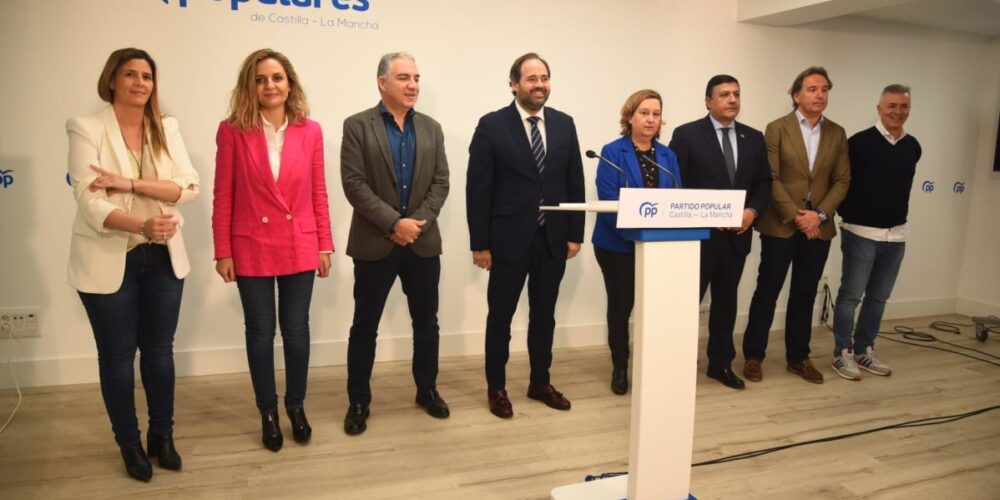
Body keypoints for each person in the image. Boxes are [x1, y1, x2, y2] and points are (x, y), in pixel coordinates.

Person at [66, 47, 199, 481]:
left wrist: (129, 183)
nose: (141, 82)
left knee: (160, 352)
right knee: (118, 357)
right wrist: (143, 224)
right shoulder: (85, 127)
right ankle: (129, 442)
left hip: (163, 256)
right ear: (112, 80)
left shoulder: (167, 127)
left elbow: (189, 187)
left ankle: (163, 436)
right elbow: (90, 201)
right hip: (109, 256)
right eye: (130, 74)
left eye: (147, 75)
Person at [212, 49, 333, 452]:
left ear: (290, 83)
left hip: (300, 240)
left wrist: (325, 243)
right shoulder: (232, 130)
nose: (269, 86)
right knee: (261, 334)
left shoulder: (310, 130)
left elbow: (318, 191)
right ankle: (267, 411)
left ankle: (295, 405)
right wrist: (222, 250)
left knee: (296, 334)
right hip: (251, 245)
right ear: (251, 86)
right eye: (261, 79)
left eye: (277, 78)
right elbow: (223, 196)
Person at [467, 52, 586, 418]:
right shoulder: (492, 125)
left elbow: (574, 180)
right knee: (499, 317)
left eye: (544, 77)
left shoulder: (565, 124)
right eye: (531, 78)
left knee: (544, 315)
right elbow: (478, 189)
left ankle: (540, 382)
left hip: (552, 238)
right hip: (506, 240)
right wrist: (480, 244)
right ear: (514, 84)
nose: (539, 85)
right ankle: (497, 388)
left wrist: (575, 233)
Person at [339, 52, 450, 435]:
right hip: (376, 241)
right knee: (364, 325)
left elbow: (441, 183)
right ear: (382, 82)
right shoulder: (357, 126)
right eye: (403, 77)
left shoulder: (432, 128)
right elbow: (354, 184)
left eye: (417, 77)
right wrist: (393, 223)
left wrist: (415, 224)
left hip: (421, 241)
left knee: (427, 323)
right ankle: (358, 402)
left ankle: (427, 390)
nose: (413, 85)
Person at [742, 66, 850, 384]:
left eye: (824, 89)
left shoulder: (837, 133)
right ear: (796, 95)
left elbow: (842, 180)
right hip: (782, 225)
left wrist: (818, 216)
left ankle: (798, 357)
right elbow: (770, 178)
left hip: (819, 228)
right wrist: (798, 215)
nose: (820, 95)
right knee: (768, 290)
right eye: (813, 89)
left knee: (804, 293)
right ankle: (753, 356)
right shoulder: (777, 128)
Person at [669, 75, 772, 390]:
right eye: (725, 94)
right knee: (687, 303)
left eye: (736, 94)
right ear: (708, 101)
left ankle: (720, 364)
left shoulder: (753, 138)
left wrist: (752, 212)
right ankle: (678, 363)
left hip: (738, 236)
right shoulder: (687, 135)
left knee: (726, 303)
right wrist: (703, 214)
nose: (732, 100)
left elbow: (764, 183)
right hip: (698, 237)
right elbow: (676, 184)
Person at [592, 89, 681, 395]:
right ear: (630, 116)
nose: (650, 119)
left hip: (659, 248)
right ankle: (620, 366)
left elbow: (676, 201)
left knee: (654, 307)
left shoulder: (668, 156)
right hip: (617, 245)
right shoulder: (612, 152)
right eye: (644, 113)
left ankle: (652, 364)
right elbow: (608, 201)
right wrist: (638, 235)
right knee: (621, 306)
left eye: (656, 114)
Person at [830, 84, 920, 380]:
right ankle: (842, 353)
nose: (897, 112)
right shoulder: (859, 143)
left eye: (903, 107)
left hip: (896, 236)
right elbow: (841, 182)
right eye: (891, 106)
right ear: (879, 108)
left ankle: (864, 350)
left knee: (878, 298)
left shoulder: (912, 146)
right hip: (860, 233)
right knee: (850, 296)